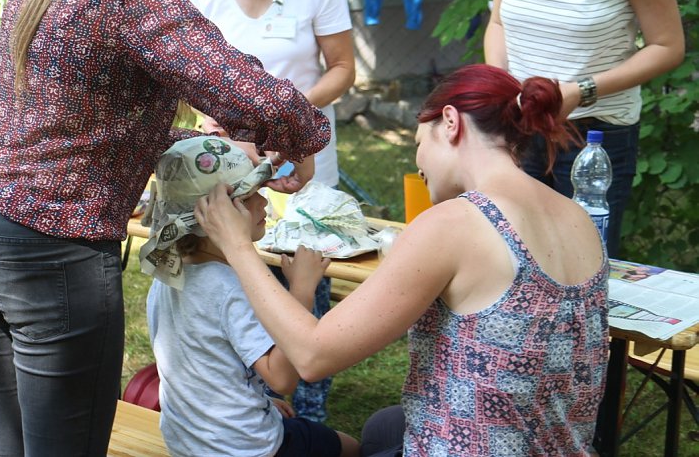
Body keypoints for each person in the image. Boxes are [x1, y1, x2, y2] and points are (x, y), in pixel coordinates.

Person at [0, 0, 331, 455]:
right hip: (48, 250)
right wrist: (303, 137)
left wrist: (202, 140)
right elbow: (240, 85)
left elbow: (79, 129)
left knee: (6, 445)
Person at [195, 64, 611, 456]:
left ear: (450, 122)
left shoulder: (455, 223)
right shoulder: (579, 216)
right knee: (383, 427)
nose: (418, 163)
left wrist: (236, 246)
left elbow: (312, 355)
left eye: (418, 143)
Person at [183, 0, 355, 422]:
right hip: (231, 169)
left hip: (300, 167)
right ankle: (250, 408)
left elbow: (343, 70)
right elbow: (186, 74)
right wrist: (214, 115)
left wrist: (281, 112)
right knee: (233, 277)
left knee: (305, 278)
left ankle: (307, 411)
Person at [483, 0, 685, 259]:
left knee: (580, 264)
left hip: (594, 134)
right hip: (520, 122)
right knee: (510, 257)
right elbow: (497, 23)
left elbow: (667, 47)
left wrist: (580, 91)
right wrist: (503, 89)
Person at [142, 136, 359, 457]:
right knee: (352, 447)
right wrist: (302, 288)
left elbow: (201, 366)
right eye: (247, 197)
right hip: (245, 448)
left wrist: (258, 399)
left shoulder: (167, 276)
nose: (263, 203)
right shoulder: (230, 286)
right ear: (210, 218)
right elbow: (284, 377)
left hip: (189, 441)